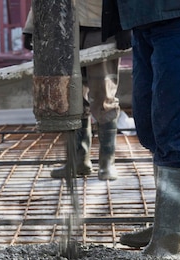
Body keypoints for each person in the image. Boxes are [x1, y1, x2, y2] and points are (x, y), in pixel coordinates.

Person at [102, 0, 180, 258]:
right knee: (151, 126)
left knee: (178, 124)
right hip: (143, 17)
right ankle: (175, 225)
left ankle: (169, 242)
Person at [22, 1, 131, 181]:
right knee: (74, 98)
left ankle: (106, 163)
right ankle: (78, 161)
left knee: (104, 97)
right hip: (65, 30)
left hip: (101, 29)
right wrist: (31, 27)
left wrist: (126, 25)